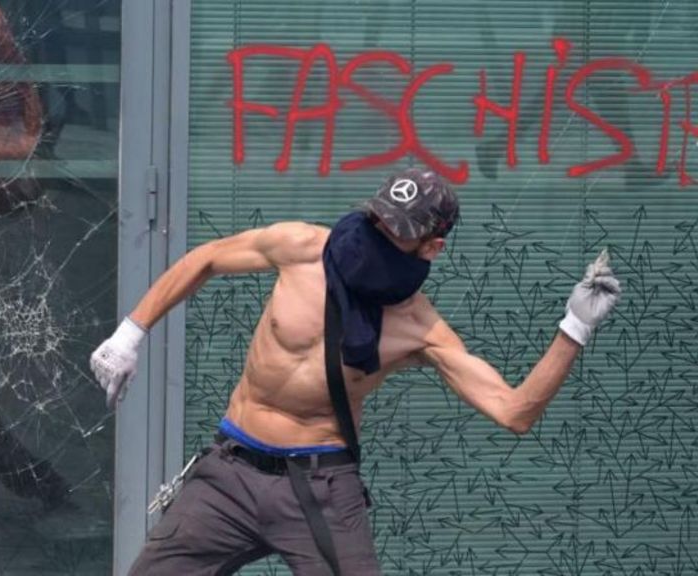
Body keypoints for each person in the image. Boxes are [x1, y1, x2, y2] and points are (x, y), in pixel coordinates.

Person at [89, 169, 621, 575]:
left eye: (399, 232)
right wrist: (130, 334)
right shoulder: (302, 248)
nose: (380, 234)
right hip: (230, 472)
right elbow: (206, 258)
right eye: (379, 220)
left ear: (432, 247)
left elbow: (514, 412)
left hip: (320, 488)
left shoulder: (419, 328)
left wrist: (573, 327)